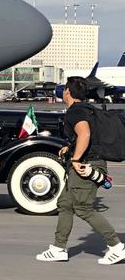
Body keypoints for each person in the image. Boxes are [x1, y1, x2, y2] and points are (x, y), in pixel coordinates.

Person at [36, 76, 125, 264]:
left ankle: (116, 246)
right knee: (65, 204)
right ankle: (59, 248)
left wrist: (75, 159)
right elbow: (85, 137)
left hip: (86, 165)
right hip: (89, 162)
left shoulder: (75, 111)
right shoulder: (87, 109)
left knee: (83, 208)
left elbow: (85, 134)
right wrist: (70, 148)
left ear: (67, 92)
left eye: (64, 89)